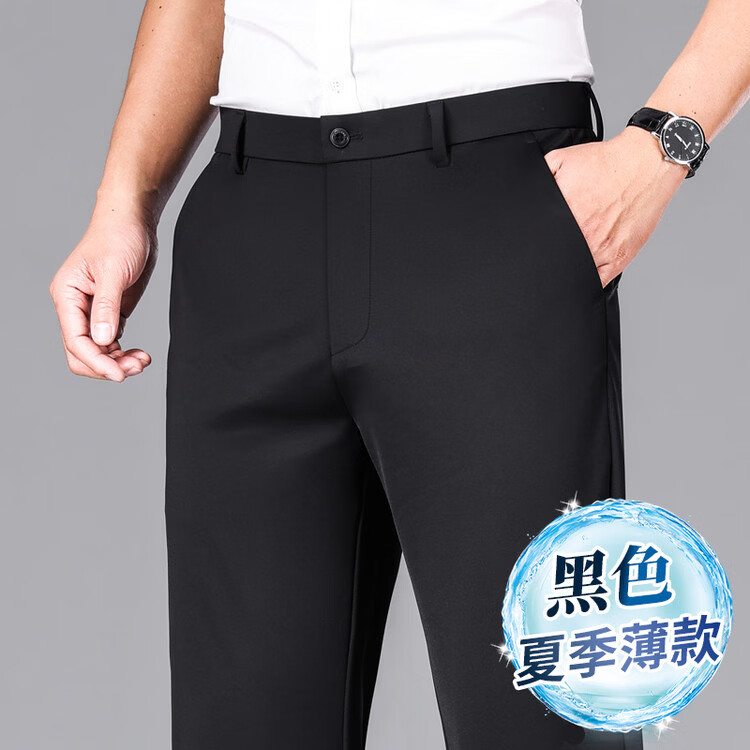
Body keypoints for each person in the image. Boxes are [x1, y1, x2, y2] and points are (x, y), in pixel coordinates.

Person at [49, 2, 749, 749]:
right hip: (253, 225)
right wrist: (125, 197)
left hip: (494, 206)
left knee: (538, 724)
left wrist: (662, 147)